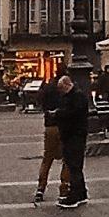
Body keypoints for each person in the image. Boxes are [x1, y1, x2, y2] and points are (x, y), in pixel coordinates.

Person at [54, 73, 90, 209]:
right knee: (75, 166)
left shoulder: (77, 97)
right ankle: (81, 193)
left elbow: (72, 114)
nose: (61, 92)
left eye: (62, 88)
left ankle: (74, 196)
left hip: (74, 136)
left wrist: (57, 114)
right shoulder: (72, 96)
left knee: (74, 166)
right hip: (72, 135)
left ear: (68, 85)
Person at [35, 75, 67, 203]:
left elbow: (40, 101)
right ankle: (64, 188)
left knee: (47, 159)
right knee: (66, 158)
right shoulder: (65, 90)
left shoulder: (47, 89)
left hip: (49, 126)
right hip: (63, 126)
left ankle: (41, 188)